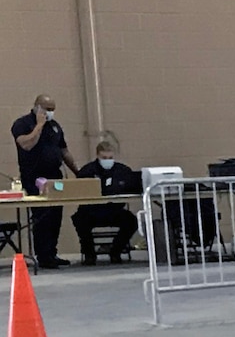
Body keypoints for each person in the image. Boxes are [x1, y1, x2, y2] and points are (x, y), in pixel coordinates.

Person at [11, 95, 80, 268]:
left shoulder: (55, 127)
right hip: (34, 177)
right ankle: (42, 255)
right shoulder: (22, 124)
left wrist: (78, 172)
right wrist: (39, 125)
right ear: (37, 107)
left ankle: (52, 253)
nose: (50, 113)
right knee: (42, 215)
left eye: (52, 109)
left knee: (55, 214)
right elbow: (27, 145)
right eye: (47, 109)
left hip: (54, 176)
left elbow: (64, 151)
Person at [71, 141, 139, 264]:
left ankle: (116, 251)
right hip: (92, 212)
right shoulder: (87, 171)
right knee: (79, 219)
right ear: (97, 156)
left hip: (114, 210)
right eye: (104, 158)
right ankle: (89, 255)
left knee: (131, 221)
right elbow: (79, 191)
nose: (108, 160)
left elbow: (133, 187)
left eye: (110, 158)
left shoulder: (123, 171)